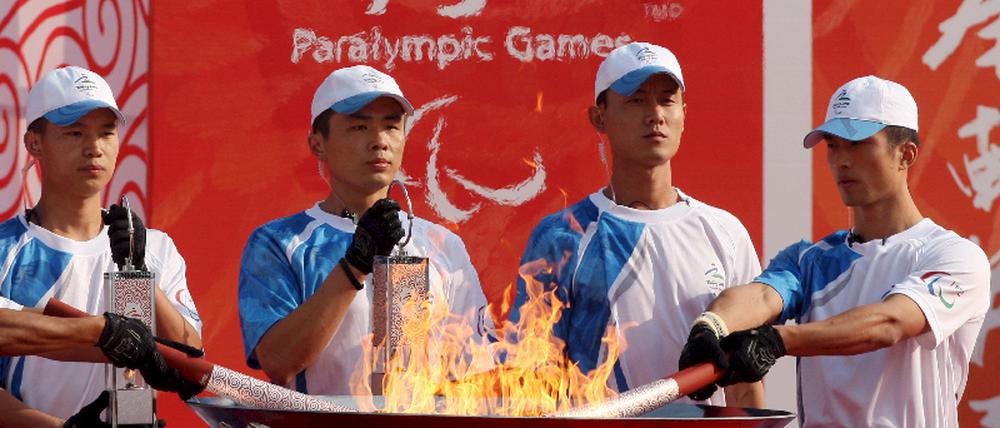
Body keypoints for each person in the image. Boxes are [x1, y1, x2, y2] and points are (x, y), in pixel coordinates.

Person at [679, 76, 991, 426]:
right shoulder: (809, 260)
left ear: (905, 154)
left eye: (857, 144)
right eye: (833, 145)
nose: (841, 160)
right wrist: (711, 326)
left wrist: (777, 340)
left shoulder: (954, 257)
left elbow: (890, 324)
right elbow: (761, 298)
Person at [509, 42, 763, 407]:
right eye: (636, 100)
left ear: (684, 114)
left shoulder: (725, 233)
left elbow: (745, 379)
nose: (655, 114)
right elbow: (532, 379)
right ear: (599, 117)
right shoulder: (563, 237)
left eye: (666, 100)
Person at [238, 65, 492, 395]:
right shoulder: (279, 243)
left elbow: (475, 371)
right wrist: (354, 265)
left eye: (391, 127)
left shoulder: (443, 245)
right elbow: (278, 361)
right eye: (359, 127)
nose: (379, 142)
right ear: (318, 144)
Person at [0, 66, 203, 419]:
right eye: (75, 132)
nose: (94, 148)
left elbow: (187, 364)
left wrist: (138, 276)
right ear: (34, 143)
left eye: (106, 133)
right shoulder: (7, 248)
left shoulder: (154, 249)